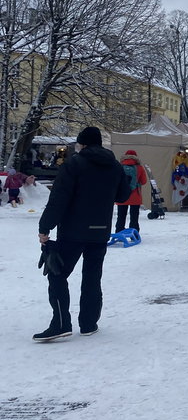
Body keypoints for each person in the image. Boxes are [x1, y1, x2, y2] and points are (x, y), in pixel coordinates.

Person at [33, 126, 131, 341]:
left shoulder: (74, 164)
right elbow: (124, 195)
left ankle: (60, 323)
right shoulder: (114, 166)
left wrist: (45, 227)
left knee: (57, 274)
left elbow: (59, 198)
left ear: (82, 143)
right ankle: (88, 323)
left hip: (73, 231)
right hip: (100, 231)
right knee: (92, 277)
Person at [115, 149, 148, 233]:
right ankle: (134, 233)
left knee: (121, 216)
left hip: (122, 195)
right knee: (134, 217)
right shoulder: (139, 168)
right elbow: (144, 181)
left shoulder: (119, 167)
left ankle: (119, 232)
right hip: (135, 195)